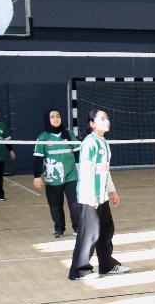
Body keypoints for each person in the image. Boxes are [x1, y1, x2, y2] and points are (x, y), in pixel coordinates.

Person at [69, 108, 128, 280]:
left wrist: (112, 191)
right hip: (90, 198)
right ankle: (79, 270)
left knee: (106, 231)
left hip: (102, 197)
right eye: (102, 118)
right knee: (89, 234)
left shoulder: (103, 142)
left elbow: (104, 171)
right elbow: (86, 171)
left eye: (107, 118)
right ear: (92, 124)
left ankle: (107, 265)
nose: (106, 121)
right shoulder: (90, 143)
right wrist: (90, 195)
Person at [32, 108, 81, 238]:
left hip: (71, 176)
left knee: (75, 203)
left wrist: (82, 173)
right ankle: (59, 228)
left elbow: (78, 155)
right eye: (52, 116)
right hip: (52, 179)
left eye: (58, 116)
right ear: (47, 119)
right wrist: (37, 176)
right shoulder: (43, 137)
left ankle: (78, 228)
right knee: (55, 206)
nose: (56, 119)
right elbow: (38, 159)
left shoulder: (69, 134)